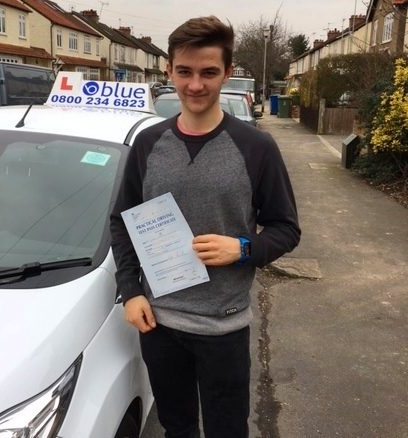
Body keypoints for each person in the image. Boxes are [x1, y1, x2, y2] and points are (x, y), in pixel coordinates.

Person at [110, 15, 300, 438]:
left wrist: (244, 249)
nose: (195, 85)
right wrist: (131, 291)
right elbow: (122, 221)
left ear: (228, 73)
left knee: (227, 431)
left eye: (209, 72)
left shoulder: (256, 147)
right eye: (185, 72)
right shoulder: (147, 143)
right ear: (170, 71)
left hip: (223, 327)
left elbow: (287, 228)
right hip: (159, 324)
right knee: (176, 428)